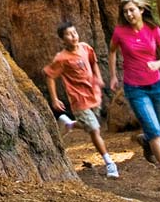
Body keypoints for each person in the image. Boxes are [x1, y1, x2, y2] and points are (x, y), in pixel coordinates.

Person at [107, 0, 160, 195]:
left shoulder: (153, 30)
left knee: (159, 128)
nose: (129, 14)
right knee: (155, 131)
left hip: (156, 86)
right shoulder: (120, 33)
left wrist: (157, 63)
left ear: (141, 10)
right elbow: (112, 51)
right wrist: (113, 75)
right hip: (135, 89)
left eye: (132, 10)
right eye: (125, 11)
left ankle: (146, 141)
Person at [43, 22, 120, 179]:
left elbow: (93, 62)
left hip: (93, 94)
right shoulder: (62, 58)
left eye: (75, 32)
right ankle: (110, 163)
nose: (74, 36)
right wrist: (54, 98)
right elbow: (50, 75)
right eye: (69, 35)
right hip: (78, 99)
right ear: (62, 39)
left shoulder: (85, 47)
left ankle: (70, 124)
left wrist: (97, 77)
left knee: (90, 124)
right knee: (94, 129)